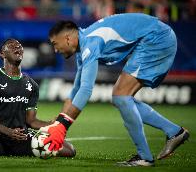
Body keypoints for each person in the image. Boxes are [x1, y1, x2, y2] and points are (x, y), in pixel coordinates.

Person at [40, 13, 189, 166]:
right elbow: (76, 89)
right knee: (121, 99)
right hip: (156, 36)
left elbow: (86, 90)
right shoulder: (83, 45)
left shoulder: (90, 44)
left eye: (54, 44)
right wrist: (58, 123)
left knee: (121, 96)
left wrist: (63, 126)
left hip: (156, 38)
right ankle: (174, 132)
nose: (55, 50)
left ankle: (144, 157)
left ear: (67, 39)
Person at [0, 38, 76, 157]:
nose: (17, 47)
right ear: (2, 54)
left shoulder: (31, 85)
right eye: (12, 45)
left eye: (19, 45)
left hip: (22, 138)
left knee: (69, 150)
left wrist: (52, 125)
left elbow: (31, 121)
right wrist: (8, 132)